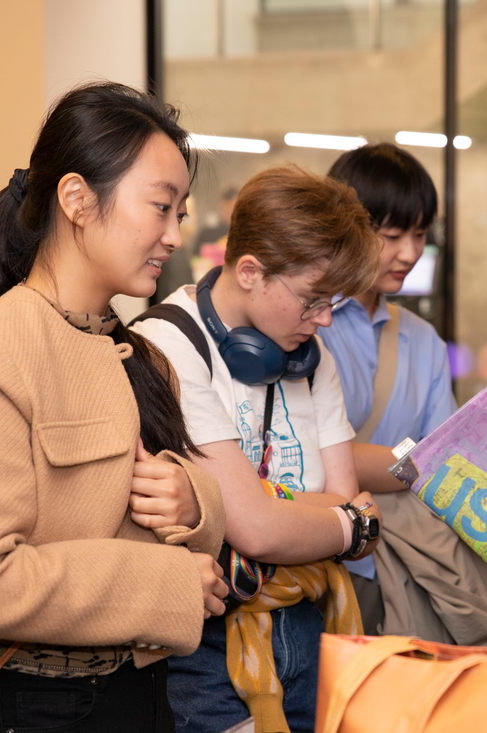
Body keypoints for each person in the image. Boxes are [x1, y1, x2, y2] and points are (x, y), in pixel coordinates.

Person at [0, 82, 230, 733]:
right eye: (160, 207)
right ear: (77, 199)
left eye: (180, 214)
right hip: (39, 706)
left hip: (145, 694)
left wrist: (195, 502)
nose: (172, 236)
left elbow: (175, 509)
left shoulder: (138, 354)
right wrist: (164, 583)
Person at [131, 165, 381, 733]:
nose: (322, 321)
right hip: (209, 645)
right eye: (312, 300)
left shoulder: (310, 358)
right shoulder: (169, 344)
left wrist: (260, 504)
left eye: (333, 304)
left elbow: (339, 497)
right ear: (249, 271)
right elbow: (260, 530)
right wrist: (348, 522)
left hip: (310, 626)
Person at [319, 142, 487, 646]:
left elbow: (444, 461)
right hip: (317, 568)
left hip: (404, 567)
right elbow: (310, 458)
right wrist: (412, 463)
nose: (410, 253)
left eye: (421, 234)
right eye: (392, 234)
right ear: (346, 226)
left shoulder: (423, 339)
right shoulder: (304, 325)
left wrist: (402, 463)